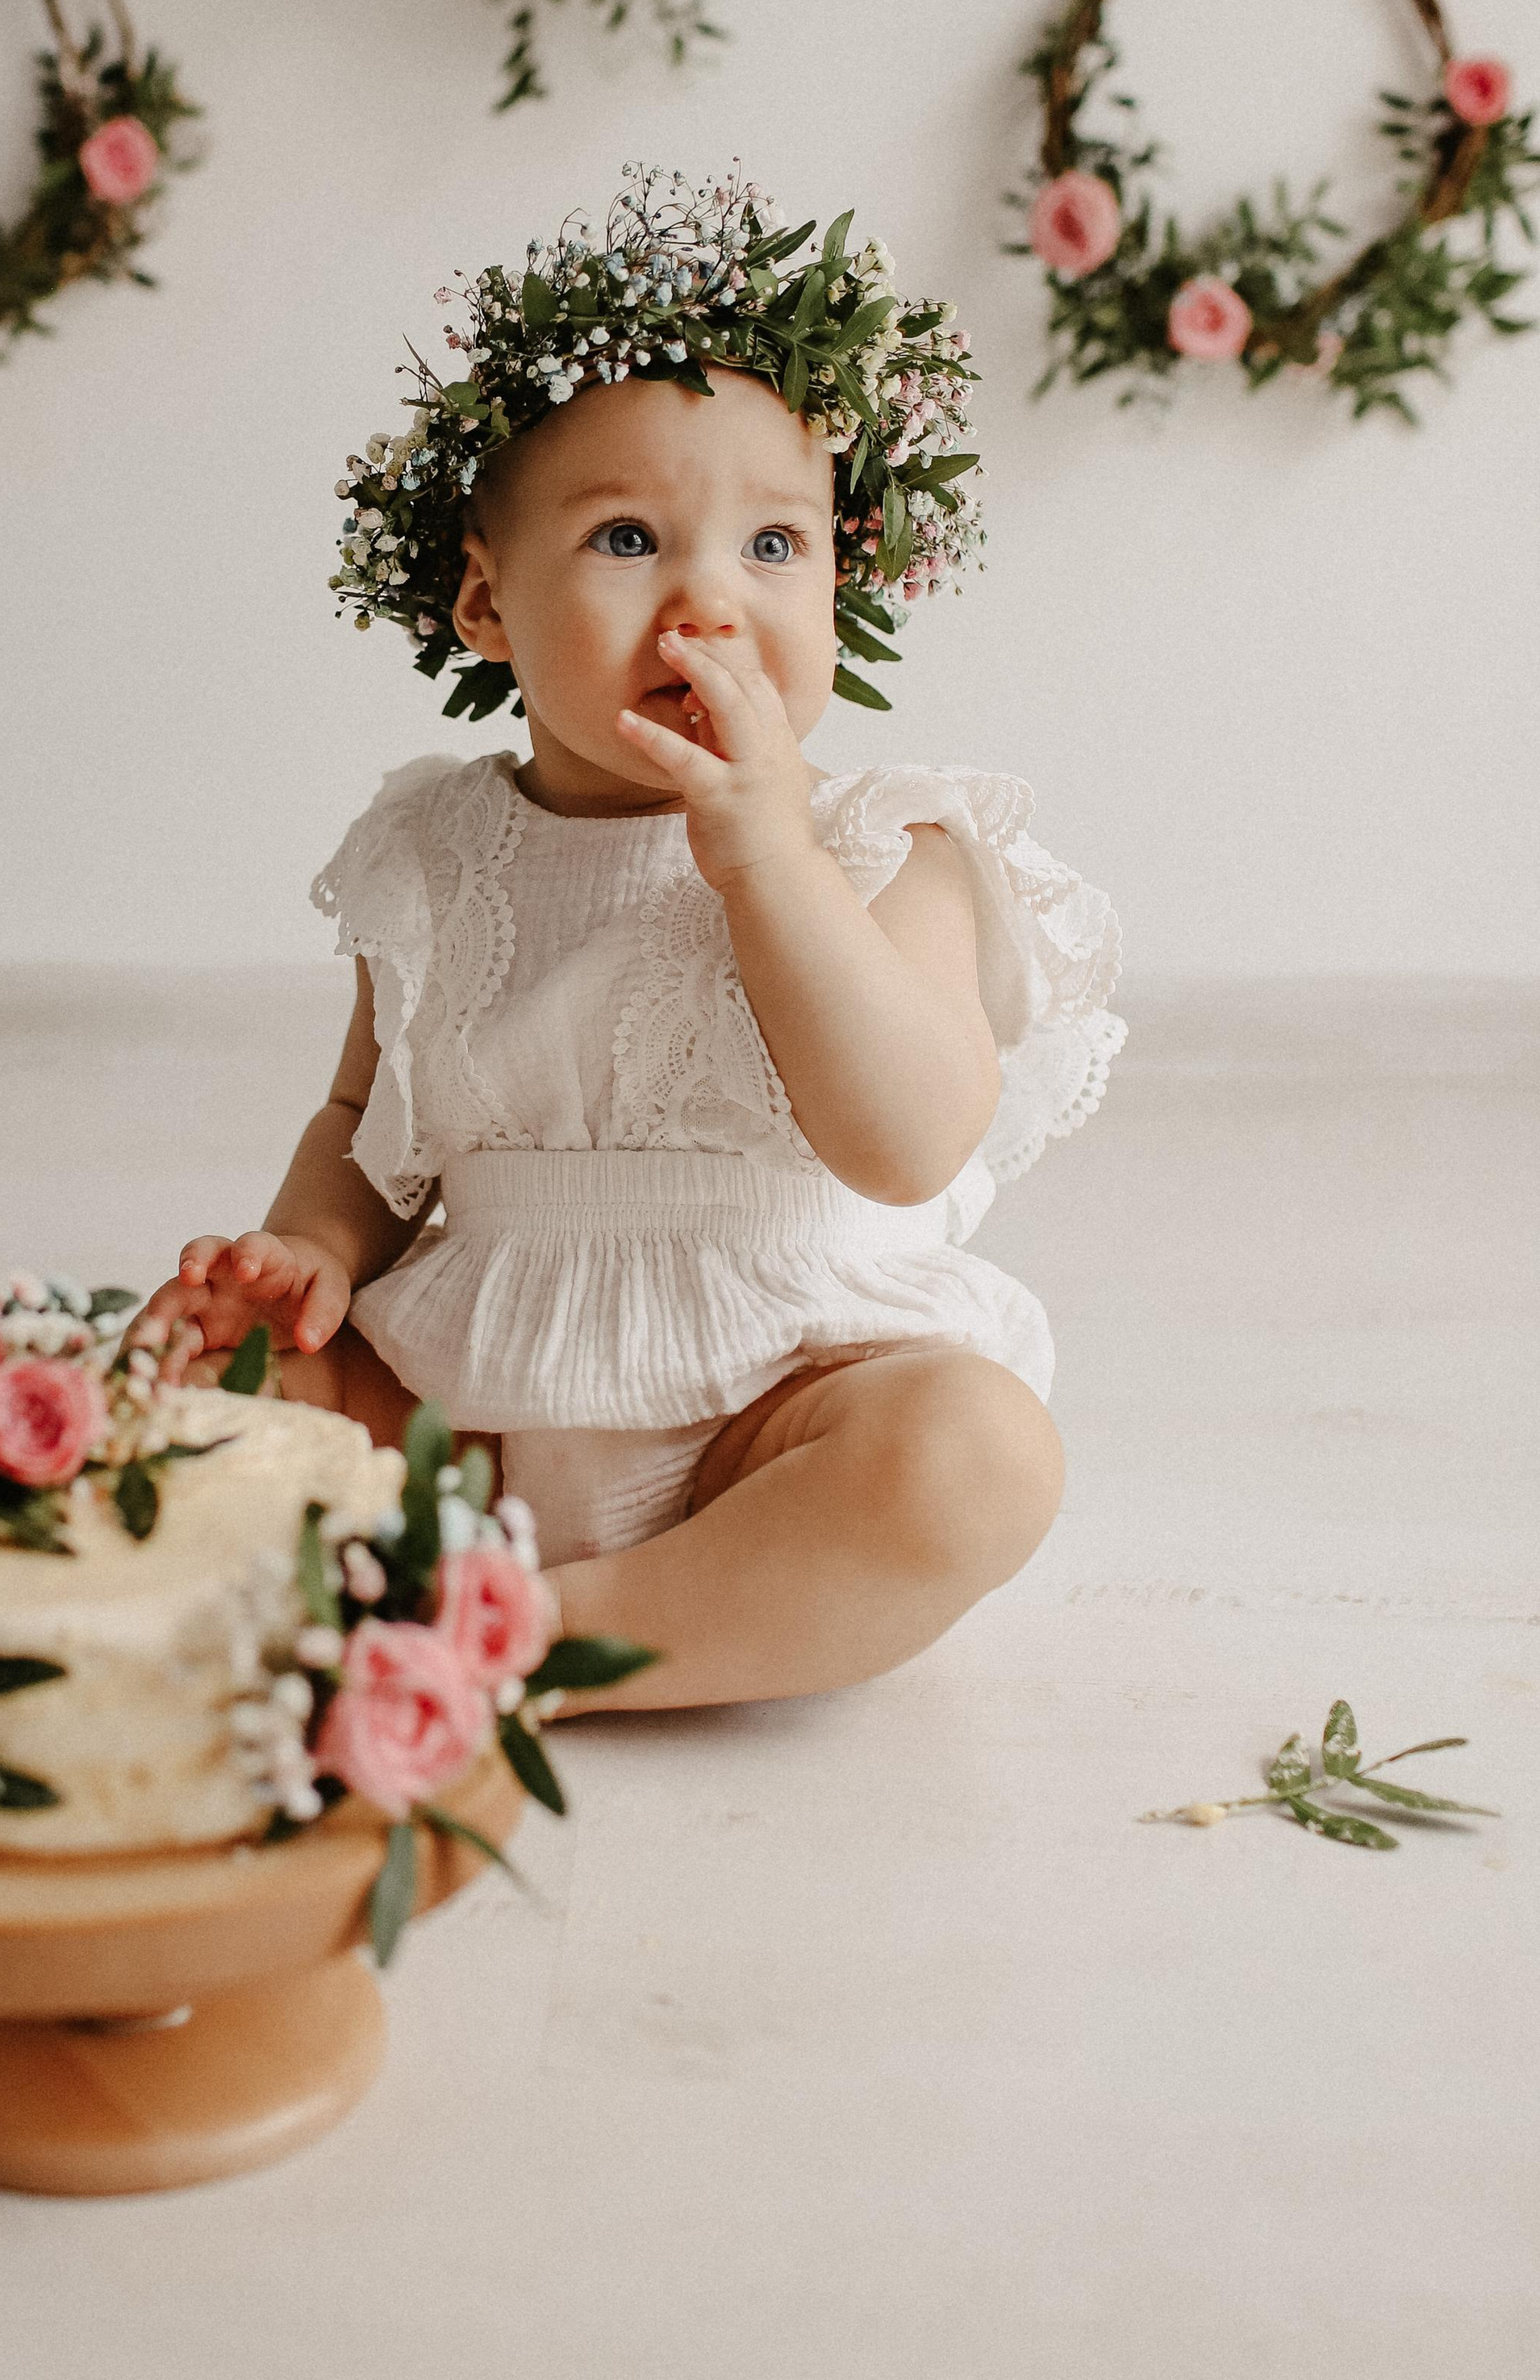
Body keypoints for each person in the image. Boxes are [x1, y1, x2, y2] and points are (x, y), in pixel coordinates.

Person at [133, 166, 1122, 1710]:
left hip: (782, 1402)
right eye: (627, 537)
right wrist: (310, 1254)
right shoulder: (435, 853)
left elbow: (910, 1142)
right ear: (485, 604)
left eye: (774, 547)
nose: (710, 601)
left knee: (974, 1458)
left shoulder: (888, 848)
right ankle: (435, 1580)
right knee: (191, 1388)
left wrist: (768, 861)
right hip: (468, 1398)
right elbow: (366, 1121)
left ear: (843, 578)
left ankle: (546, 1641)